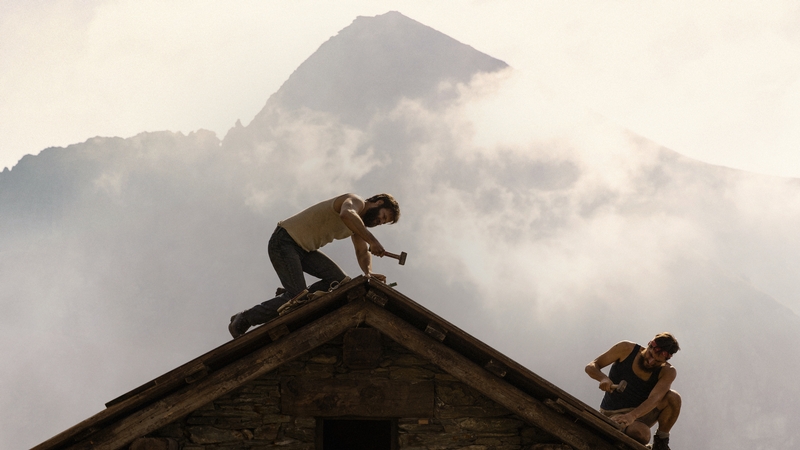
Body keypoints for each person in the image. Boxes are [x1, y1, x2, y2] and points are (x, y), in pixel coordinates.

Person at [228, 193, 400, 338]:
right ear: (379, 202)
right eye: (383, 216)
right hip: (284, 241)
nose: (379, 222)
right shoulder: (356, 201)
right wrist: (373, 241)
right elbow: (346, 214)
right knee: (298, 298)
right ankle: (246, 318)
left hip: (304, 250)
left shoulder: (357, 226)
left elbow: (362, 252)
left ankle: (293, 295)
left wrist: (368, 273)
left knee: (340, 282)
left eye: (383, 222)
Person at [585, 333, 682, 450]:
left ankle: (660, 442)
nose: (651, 362)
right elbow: (591, 366)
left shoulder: (668, 371)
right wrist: (603, 378)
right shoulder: (626, 349)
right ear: (649, 345)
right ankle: (616, 430)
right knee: (642, 434)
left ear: (665, 360)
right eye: (650, 355)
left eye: (657, 361)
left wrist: (632, 416)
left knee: (674, 398)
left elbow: (655, 399)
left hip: (640, 412)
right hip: (614, 412)